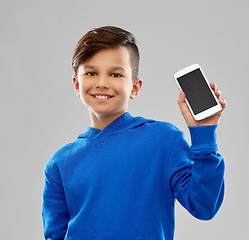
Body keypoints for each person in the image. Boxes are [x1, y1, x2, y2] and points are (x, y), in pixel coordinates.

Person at [42, 26, 227, 240]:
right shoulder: (59, 164)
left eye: (116, 74)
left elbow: (204, 205)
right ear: (77, 84)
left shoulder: (164, 141)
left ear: (135, 87)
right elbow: (54, 236)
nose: (102, 83)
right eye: (91, 73)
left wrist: (204, 135)